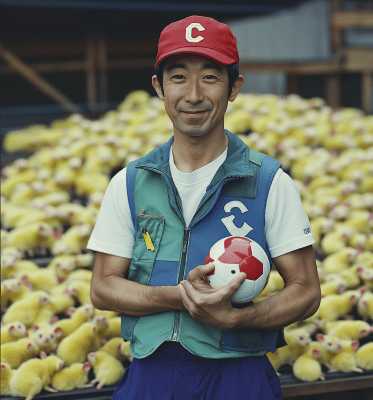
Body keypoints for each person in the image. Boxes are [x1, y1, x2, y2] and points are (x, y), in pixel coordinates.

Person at [88, 15, 321, 400]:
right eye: (178, 77)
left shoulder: (269, 182)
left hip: (239, 375)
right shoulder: (130, 183)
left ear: (234, 87)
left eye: (210, 77)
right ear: (158, 88)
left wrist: (238, 318)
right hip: (152, 375)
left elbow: (307, 291)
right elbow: (103, 288)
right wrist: (179, 296)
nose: (193, 94)